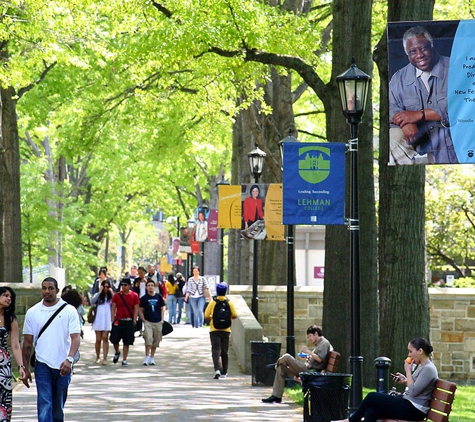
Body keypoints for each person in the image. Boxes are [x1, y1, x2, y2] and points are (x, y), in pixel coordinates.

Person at [389, 26, 458, 165]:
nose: (419, 55)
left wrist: (420, 114)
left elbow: (461, 106)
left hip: (453, 146)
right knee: (393, 135)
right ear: (407, 54)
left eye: (423, 48)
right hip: (417, 147)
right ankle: (408, 173)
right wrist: (406, 122)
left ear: (432, 46)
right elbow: (391, 107)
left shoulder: (456, 69)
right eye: (413, 51)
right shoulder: (399, 78)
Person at [331, 338, 438, 422]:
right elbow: (416, 386)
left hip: (415, 409)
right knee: (371, 412)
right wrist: (405, 380)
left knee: (372, 396)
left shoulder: (428, 369)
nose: (409, 355)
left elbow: (414, 391)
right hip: (409, 404)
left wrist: (408, 371)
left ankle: (352, 420)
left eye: (410, 351)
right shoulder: (422, 366)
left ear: (420, 351)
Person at [21, 277, 81, 422]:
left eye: (50, 288)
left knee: (57, 407)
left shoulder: (69, 310)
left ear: (57, 290)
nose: (47, 291)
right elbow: (27, 342)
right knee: (45, 404)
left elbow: (75, 338)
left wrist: (70, 359)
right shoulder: (33, 312)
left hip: (63, 365)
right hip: (42, 364)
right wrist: (25, 367)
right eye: (44, 288)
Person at [262, 325, 332, 404]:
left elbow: (320, 359)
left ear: (316, 333)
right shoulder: (319, 344)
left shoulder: (324, 343)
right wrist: (307, 357)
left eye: (310, 336)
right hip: (307, 367)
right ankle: (276, 396)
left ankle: (276, 364)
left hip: (309, 370)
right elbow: (316, 359)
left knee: (286, 356)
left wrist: (308, 351)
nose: (309, 339)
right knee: (281, 368)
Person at [0, 287, 26, 420]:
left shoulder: (11, 319)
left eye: (10, 297)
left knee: (4, 401)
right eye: (5, 295)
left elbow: (15, 345)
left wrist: (21, 367)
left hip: (3, 366)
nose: (8, 298)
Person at [204, 283, 237, 379]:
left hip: (214, 329)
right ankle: (224, 372)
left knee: (215, 349)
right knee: (225, 351)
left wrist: (213, 318)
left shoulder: (213, 303)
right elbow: (235, 315)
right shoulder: (229, 303)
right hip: (226, 330)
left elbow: (206, 315)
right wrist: (227, 318)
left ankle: (217, 369)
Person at [110, 278, 140, 367]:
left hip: (129, 321)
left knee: (127, 341)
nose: (123, 286)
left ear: (129, 286)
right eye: (122, 285)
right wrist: (112, 319)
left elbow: (136, 309)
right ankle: (117, 352)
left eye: (125, 285)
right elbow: (113, 308)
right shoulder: (117, 295)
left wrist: (134, 321)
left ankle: (124, 359)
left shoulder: (134, 295)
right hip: (118, 321)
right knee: (114, 340)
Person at [139, 279, 166, 366]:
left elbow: (162, 308)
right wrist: (143, 319)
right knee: (148, 339)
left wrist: (162, 319)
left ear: (154, 287)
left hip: (158, 321)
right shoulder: (144, 298)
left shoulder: (158, 297)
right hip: (148, 322)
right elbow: (140, 310)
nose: (150, 287)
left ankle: (152, 357)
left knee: (156, 340)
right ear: (146, 288)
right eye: (148, 285)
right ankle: (146, 357)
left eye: (152, 285)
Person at [90, 279, 113, 365]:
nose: (106, 288)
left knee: (105, 338)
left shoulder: (111, 296)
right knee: (98, 339)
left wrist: (112, 292)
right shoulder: (99, 295)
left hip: (107, 318)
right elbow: (92, 301)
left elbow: (116, 301)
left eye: (108, 287)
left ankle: (105, 358)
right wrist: (99, 292)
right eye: (104, 287)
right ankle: (98, 356)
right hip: (99, 318)